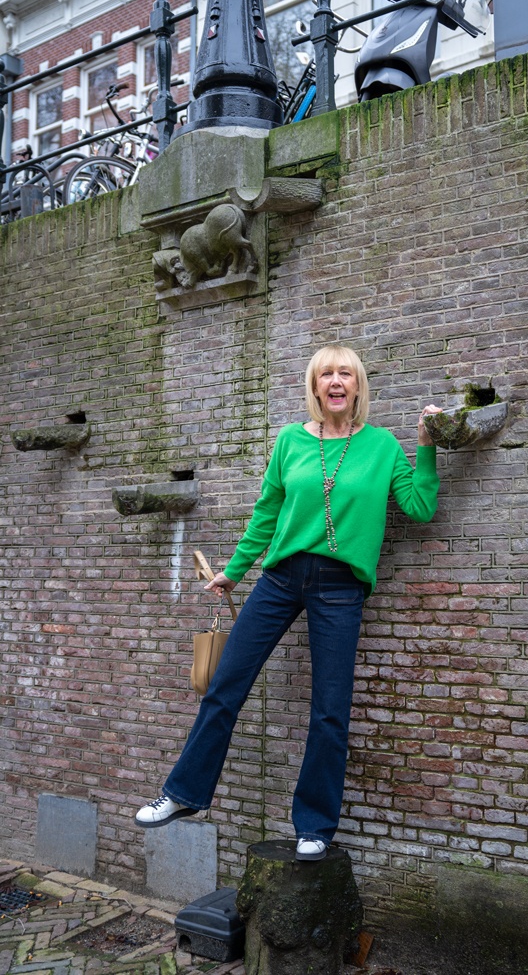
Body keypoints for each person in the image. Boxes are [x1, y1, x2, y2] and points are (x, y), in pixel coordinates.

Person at [135, 344, 441, 861]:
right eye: (326, 374)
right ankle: (183, 793)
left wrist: (426, 446)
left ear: (358, 386)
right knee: (224, 686)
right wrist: (235, 571)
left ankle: (315, 825)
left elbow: (421, 506)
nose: (336, 382)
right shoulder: (290, 441)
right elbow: (266, 513)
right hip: (279, 580)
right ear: (315, 386)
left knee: (329, 711)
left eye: (346, 374)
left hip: (340, 588)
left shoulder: (383, 446)